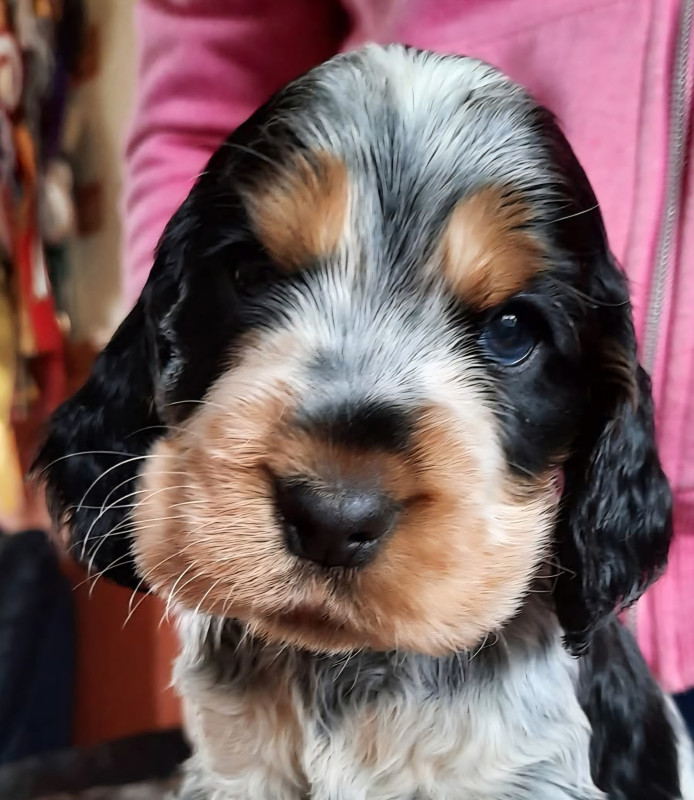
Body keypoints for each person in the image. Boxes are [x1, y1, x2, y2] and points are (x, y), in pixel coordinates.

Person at [122, 0, 694, 733]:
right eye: (258, 279)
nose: (342, 498)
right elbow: (203, 95)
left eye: (509, 331)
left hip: (544, 611)